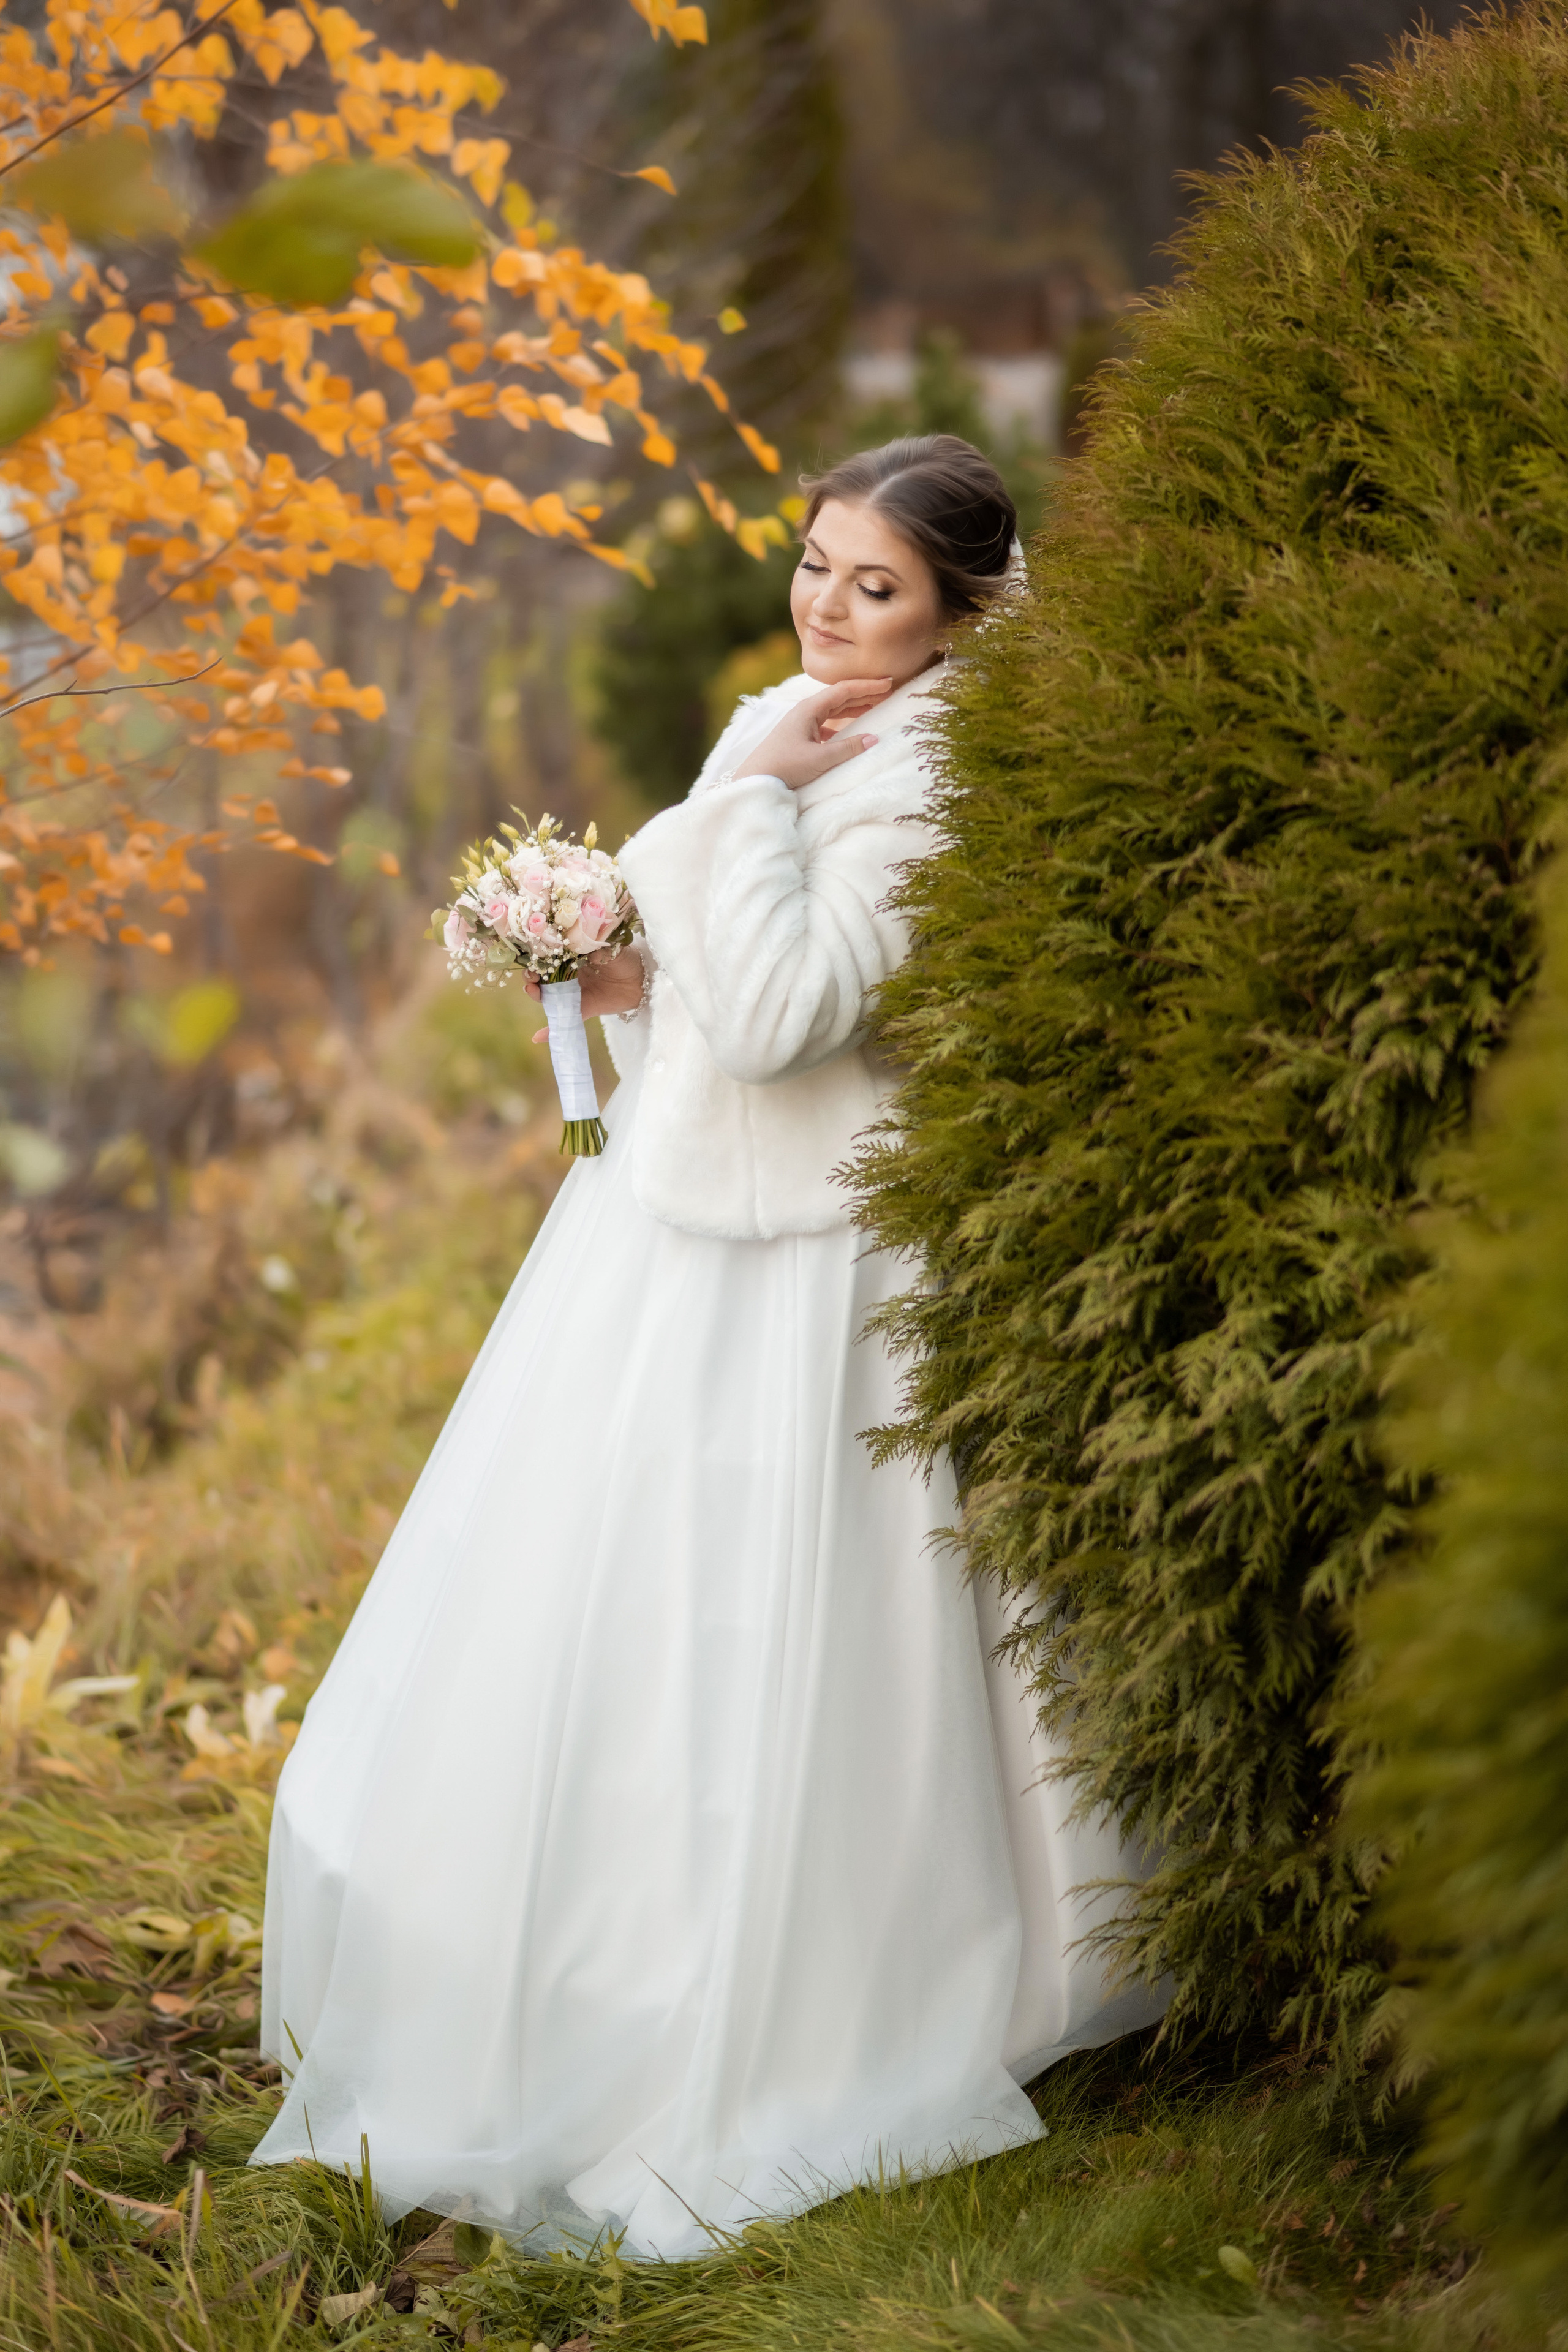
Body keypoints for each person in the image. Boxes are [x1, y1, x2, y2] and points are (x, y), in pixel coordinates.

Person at [251, 434, 1165, 2259]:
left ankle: (808, 1986)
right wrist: (615, 967)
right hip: (685, 1230)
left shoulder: (932, 772)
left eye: (877, 586)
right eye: (818, 565)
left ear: (964, 609)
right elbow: (732, 994)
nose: (828, 606)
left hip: (820, 1266)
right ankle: (584, 1944)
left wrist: (727, 803)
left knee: (793, 1630)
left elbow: (788, 1015)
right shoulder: (814, 716)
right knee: (626, 1612)